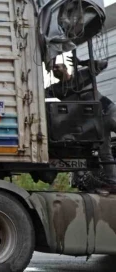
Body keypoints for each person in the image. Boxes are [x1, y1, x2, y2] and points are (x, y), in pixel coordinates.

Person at [46, 58, 116, 190]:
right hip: (96, 122)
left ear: (66, 68)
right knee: (104, 153)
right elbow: (39, 92)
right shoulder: (57, 89)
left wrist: (82, 62)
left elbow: (103, 64)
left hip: (109, 111)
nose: (55, 70)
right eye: (53, 68)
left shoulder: (82, 75)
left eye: (57, 67)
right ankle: (113, 182)